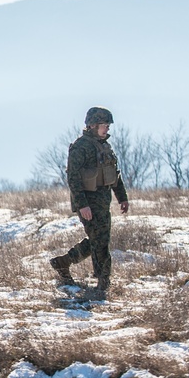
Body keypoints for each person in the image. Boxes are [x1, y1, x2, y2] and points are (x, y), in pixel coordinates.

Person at [49, 107, 130, 301]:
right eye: (104, 125)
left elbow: (114, 176)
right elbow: (73, 178)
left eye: (108, 125)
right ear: (92, 125)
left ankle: (64, 262)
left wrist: (122, 197)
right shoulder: (81, 147)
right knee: (100, 241)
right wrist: (82, 204)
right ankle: (103, 282)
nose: (107, 128)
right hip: (88, 203)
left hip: (103, 202)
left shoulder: (105, 147)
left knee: (98, 239)